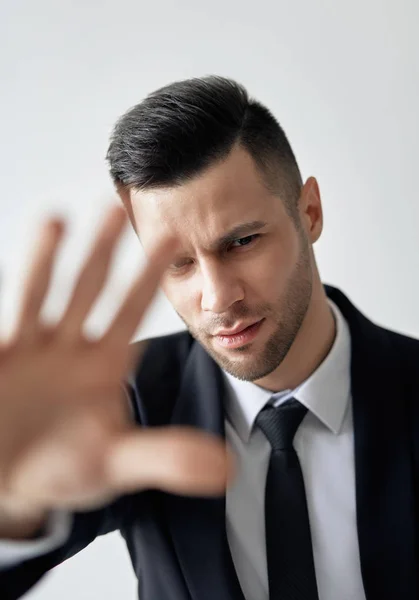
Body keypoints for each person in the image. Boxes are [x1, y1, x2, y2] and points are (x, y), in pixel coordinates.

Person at [0, 76, 418, 600]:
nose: (217, 299)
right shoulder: (123, 399)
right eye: (178, 263)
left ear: (308, 212)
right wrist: (14, 504)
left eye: (242, 241)